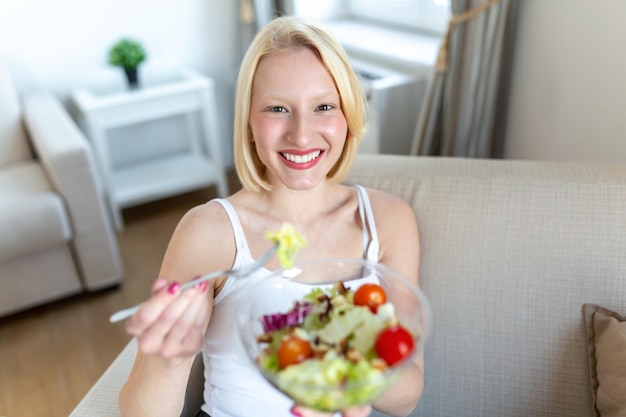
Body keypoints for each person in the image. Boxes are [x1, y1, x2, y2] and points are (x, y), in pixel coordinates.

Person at [119, 16, 423, 417]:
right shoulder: (209, 232)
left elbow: (407, 397)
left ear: (347, 115)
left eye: (323, 107)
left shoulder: (387, 221)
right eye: (277, 108)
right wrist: (168, 359)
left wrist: (352, 369)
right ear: (249, 122)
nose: (301, 135)